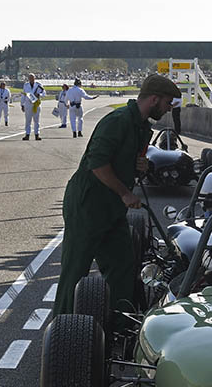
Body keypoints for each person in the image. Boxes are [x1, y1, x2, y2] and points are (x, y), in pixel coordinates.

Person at [52, 74, 181, 317]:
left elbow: (122, 160)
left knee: (123, 265)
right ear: (154, 99)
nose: (168, 109)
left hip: (112, 207)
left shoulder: (142, 127)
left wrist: (138, 165)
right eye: (167, 103)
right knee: (75, 269)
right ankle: (63, 328)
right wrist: (124, 193)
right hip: (88, 204)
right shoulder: (118, 121)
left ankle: (121, 324)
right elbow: (97, 164)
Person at [22, 74, 45, 141]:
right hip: (28, 104)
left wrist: (39, 94)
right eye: (30, 78)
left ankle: (37, 135)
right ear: (28, 78)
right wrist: (22, 104)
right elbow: (24, 95)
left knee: (36, 121)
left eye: (32, 78)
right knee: (28, 121)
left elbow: (44, 93)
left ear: (34, 78)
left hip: (36, 104)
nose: (31, 79)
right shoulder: (26, 85)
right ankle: (27, 134)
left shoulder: (38, 85)